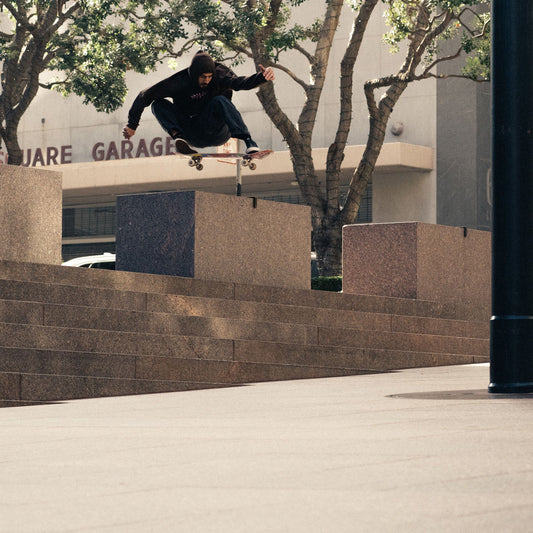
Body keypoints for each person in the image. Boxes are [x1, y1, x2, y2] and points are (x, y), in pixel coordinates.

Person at [123, 51, 275, 155]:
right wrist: (132, 124)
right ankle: (179, 139)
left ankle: (249, 142)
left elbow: (240, 83)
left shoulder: (220, 74)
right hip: (191, 132)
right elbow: (145, 96)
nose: (207, 81)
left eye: (209, 77)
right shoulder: (179, 82)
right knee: (157, 104)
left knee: (219, 100)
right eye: (203, 77)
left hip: (217, 130)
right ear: (194, 75)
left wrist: (261, 78)